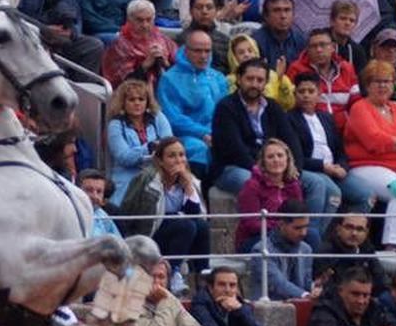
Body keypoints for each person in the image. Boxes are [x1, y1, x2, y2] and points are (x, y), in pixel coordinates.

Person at [211, 59, 333, 225]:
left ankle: (306, 235)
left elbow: (291, 140)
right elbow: (234, 150)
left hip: (276, 165)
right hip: (234, 167)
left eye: (260, 80)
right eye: (250, 79)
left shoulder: (273, 107)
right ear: (239, 79)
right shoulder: (226, 107)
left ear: (266, 83)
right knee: (251, 181)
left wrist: (292, 167)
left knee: (317, 183)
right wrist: (266, 170)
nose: (254, 84)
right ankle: (270, 235)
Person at [342, 60, 396, 246]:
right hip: (368, 165)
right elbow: (375, 141)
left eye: (387, 81)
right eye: (377, 81)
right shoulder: (360, 108)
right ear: (367, 85)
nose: (382, 85)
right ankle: (392, 245)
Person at [118, 136, 207, 286]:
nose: (179, 160)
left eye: (181, 155)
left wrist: (188, 187)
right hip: (150, 232)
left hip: (180, 233)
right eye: (172, 156)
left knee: (201, 227)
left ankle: (203, 276)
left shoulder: (191, 180)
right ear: (160, 161)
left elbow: (194, 214)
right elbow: (129, 212)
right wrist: (174, 216)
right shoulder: (146, 180)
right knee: (186, 225)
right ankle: (173, 272)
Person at [288, 73, 367, 216]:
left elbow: (340, 149)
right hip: (312, 169)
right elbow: (295, 157)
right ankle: (316, 234)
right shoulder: (289, 119)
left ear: (319, 94)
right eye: (301, 91)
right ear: (294, 94)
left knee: (366, 194)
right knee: (333, 193)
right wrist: (324, 167)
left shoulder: (327, 118)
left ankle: (348, 233)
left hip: (335, 168)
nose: (306, 96)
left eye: (311, 91)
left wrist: (343, 166)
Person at [157, 28, 227, 176]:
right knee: (199, 149)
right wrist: (203, 133)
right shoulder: (170, 79)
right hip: (185, 136)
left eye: (207, 51)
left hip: (216, 134)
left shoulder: (218, 77)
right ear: (186, 50)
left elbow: (226, 111)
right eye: (197, 51)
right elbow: (173, 118)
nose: (203, 56)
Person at [104, 77, 171, 205]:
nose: (137, 103)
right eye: (132, 99)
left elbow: (169, 145)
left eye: (141, 99)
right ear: (123, 102)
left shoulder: (158, 117)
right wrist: (150, 147)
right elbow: (124, 157)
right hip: (127, 178)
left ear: (147, 102)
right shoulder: (115, 125)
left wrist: (147, 153)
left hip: (157, 174)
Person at [120, 258, 209, 326]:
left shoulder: (170, 300)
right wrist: (162, 300)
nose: (156, 282)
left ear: (168, 281)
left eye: (161, 277)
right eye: (151, 276)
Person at [235, 138, 303, 253]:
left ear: (287, 159)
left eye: (280, 155)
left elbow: (299, 215)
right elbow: (251, 223)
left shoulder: (293, 185)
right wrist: (281, 227)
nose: (276, 160)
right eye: (270, 157)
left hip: (287, 233)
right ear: (263, 162)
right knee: (282, 242)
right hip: (255, 238)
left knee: (312, 236)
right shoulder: (252, 186)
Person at [305, 264, 396, 326]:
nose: (361, 301)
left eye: (365, 295)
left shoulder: (375, 307)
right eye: (355, 294)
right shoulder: (324, 308)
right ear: (340, 291)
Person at [286, 29, 357, 131]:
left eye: (323, 45)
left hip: (345, 128)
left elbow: (356, 101)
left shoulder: (346, 68)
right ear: (307, 49)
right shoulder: (296, 69)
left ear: (332, 47)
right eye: (313, 46)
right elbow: (290, 102)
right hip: (311, 128)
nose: (319, 50)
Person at [247, 199, 315, 300]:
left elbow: (306, 283)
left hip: (301, 306)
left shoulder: (306, 249)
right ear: (281, 224)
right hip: (270, 309)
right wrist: (306, 295)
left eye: (306, 227)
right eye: (298, 228)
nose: (303, 233)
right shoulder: (261, 250)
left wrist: (316, 287)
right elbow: (278, 284)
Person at [101, 0, 176, 87]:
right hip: (133, 96)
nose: (145, 25)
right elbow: (118, 83)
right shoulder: (119, 45)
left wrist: (165, 63)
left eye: (149, 20)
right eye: (139, 20)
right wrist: (144, 66)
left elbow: (181, 73)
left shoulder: (164, 40)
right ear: (129, 20)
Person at [312, 210, 383, 295]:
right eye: (349, 227)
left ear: (366, 233)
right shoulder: (325, 252)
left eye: (359, 229)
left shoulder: (367, 251)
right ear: (338, 229)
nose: (354, 233)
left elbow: (381, 281)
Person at [189, 264, 265, 326]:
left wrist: (240, 309)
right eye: (222, 285)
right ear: (211, 288)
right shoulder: (200, 303)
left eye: (232, 285)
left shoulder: (241, 304)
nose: (227, 290)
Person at [226, 31, 293, 111]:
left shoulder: (273, 75)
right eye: (241, 53)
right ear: (234, 57)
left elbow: (288, 105)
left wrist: (280, 80)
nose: (247, 55)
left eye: (250, 51)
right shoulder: (229, 80)